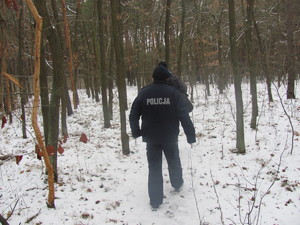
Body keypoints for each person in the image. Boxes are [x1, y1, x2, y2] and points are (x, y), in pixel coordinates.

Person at [129, 65, 196, 210]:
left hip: (151, 138)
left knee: (154, 168)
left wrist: (136, 132)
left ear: (153, 78)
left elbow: (133, 114)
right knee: (173, 160)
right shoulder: (174, 93)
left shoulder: (143, 93)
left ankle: (155, 201)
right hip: (170, 137)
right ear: (167, 78)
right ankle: (177, 184)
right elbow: (184, 116)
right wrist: (191, 136)